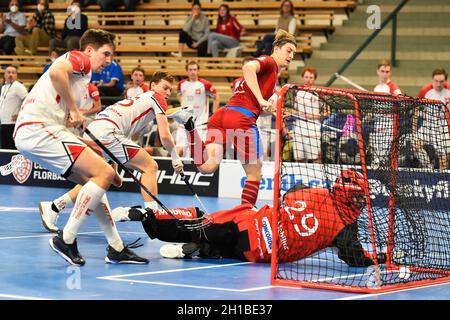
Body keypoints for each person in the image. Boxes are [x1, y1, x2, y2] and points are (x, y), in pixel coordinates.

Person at [14, 29, 148, 266]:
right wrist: (75, 110)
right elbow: (56, 72)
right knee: (105, 173)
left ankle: (116, 247)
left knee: (96, 181)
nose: (108, 61)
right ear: (89, 50)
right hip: (37, 128)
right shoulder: (81, 60)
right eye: (105, 54)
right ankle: (66, 239)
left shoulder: (82, 78)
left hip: (36, 132)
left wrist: (87, 144)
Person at [111, 169, 381, 267]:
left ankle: (148, 215)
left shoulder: (313, 190)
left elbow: (288, 196)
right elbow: (355, 261)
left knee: (200, 223)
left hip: (249, 220)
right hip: (259, 251)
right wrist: (375, 258)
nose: (360, 202)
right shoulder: (347, 228)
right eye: (359, 197)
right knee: (227, 247)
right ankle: (200, 250)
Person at [38, 71, 185, 234]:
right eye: (165, 87)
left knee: (100, 179)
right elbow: (164, 135)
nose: (167, 92)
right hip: (108, 133)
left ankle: (53, 207)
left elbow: (132, 135)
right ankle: (155, 219)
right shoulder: (157, 99)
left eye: (170, 90)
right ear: (153, 85)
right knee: (150, 166)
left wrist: (114, 167)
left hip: (96, 129)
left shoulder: (142, 101)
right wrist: (175, 158)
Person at [175, 29, 296, 207]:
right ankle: (245, 214)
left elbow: (252, 103)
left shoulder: (270, 76)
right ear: (277, 48)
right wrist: (262, 100)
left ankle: (190, 127)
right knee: (255, 174)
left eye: (294, 53)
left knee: (206, 167)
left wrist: (268, 108)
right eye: (289, 50)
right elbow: (247, 67)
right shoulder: (269, 62)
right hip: (240, 119)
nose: (291, 56)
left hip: (222, 116)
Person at [413, 68, 450, 169]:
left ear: (445, 81)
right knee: (415, 146)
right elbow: (416, 110)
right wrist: (414, 132)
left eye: (441, 81)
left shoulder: (449, 92)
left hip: (443, 128)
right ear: (432, 80)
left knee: (444, 158)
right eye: (436, 81)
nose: (438, 84)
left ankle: (442, 180)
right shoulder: (425, 91)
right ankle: (428, 165)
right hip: (428, 126)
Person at [370, 59, 402, 168]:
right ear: (377, 71)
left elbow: (401, 101)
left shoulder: (393, 87)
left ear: (390, 72)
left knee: (386, 156)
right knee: (377, 155)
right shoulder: (376, 88)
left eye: (387, 72)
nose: (384, 74)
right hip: (377, 124)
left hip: (389, 126)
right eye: (382, 71)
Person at [177, 61, 220, 141]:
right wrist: (182, 103)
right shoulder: (181, 84)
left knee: (199, 148)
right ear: (187, 71)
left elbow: (216, 97)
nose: (192, 72)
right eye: (190, 70)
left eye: (194, 69)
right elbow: (179, 94)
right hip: (185, 120)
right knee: (181, 148)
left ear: (198, 71)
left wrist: (214, 113)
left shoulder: (205, 84)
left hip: (201, 122)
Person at [0, 65, 27, 149]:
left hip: (12, 124)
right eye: (8, 72)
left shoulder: (18, 86)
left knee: (12, 149)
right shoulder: (4, 87)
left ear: (16, 75)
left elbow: (28, 101)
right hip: (3, 123)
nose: (10, 75)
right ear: (4, 75)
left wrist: (21, 115)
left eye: (13, 73)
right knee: (4, 150)